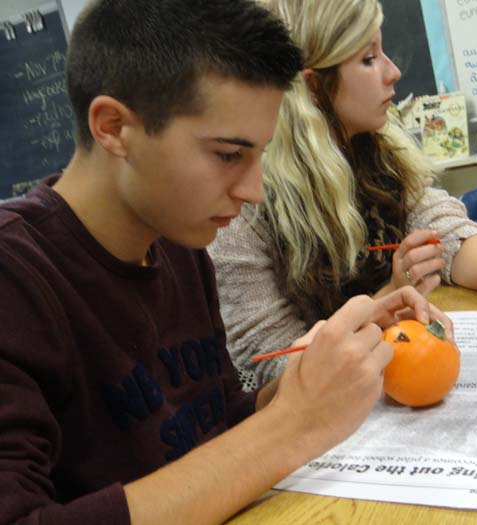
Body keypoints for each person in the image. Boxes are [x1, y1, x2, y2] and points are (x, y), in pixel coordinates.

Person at [0, 1, 454, 523]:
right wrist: (294, 426)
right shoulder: (16, 277)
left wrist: (319, 369)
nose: (254, 191)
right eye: (227, 154)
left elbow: (216, 426)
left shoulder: (179, 245)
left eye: (261, 154)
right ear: (113, 127)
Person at [209, 0, 477, 392]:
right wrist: (386, 299)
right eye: (369, 59)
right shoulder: (244, 204)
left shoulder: (379, 150)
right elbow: (271, 367)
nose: (394, 72)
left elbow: (446, 231)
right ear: (313, 86)